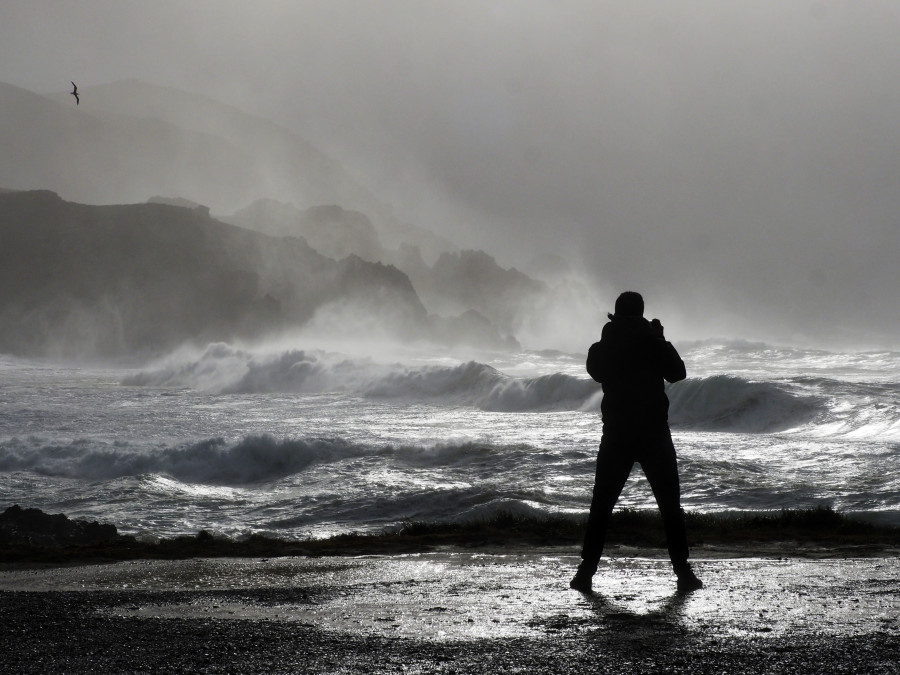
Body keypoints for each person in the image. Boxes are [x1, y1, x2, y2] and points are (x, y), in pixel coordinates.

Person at [570, 291, 702, 593]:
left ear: (616, 314)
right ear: (642, 314)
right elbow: (678, 373)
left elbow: (595, 371)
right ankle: (683, 573)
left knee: (601, 506)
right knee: (670, 506)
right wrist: (659, 339)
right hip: (653, 432)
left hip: (616, 433)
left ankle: (585, 573)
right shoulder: (651, 341)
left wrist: (607, 338)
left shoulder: (607, 343)